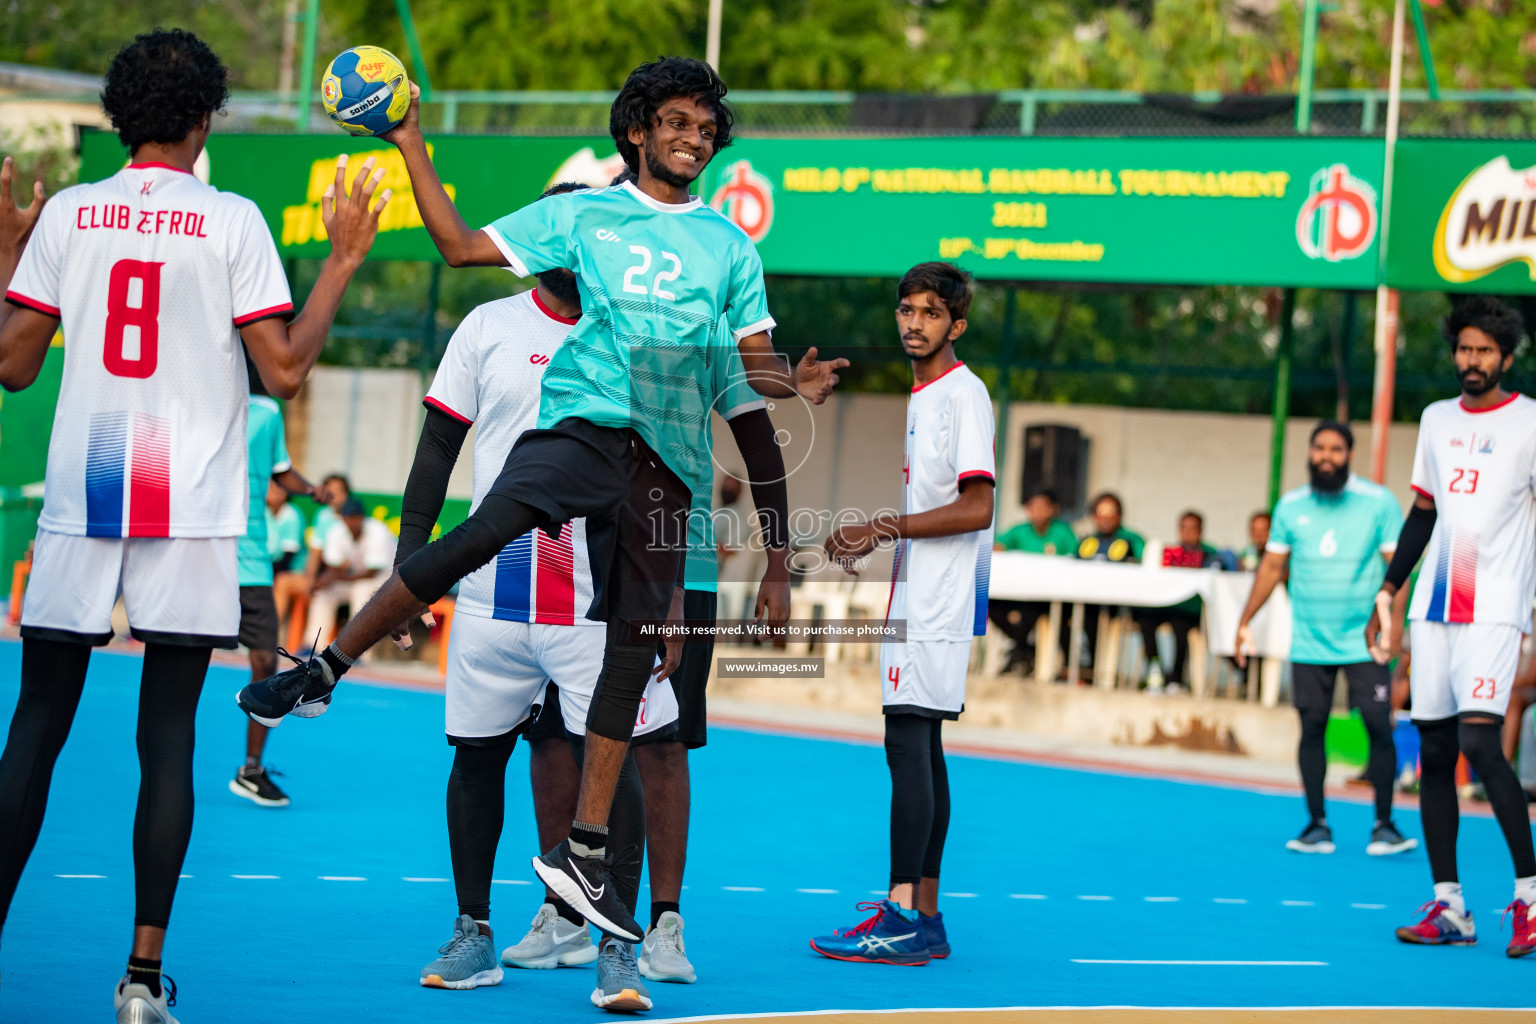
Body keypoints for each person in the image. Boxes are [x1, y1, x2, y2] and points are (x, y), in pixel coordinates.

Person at [240, 56, 839, 947]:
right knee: (477, 536)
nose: (695, 138)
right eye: (677, 121)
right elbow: (455, 245)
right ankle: (325, 668)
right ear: (636, 130)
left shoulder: (729, 247)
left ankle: (584, 851)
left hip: (662, 465)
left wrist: (790, 386)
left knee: (629, 656)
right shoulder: (582, 214)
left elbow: (749, 377)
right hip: (582, 430)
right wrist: (408, 138)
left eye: (707, 128)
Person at [0, 28, 385, 1023]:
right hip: (192, 499)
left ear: (120, 117)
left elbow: (11, 365)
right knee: (166, 736)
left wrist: (9, 250)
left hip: (90, 482)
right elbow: (286, 369)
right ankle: (139, 979)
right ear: (207, 118)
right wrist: (342, 261)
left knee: (35, 729)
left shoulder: (73, 214)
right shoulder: (233, 220)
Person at [813, 261, 995, 966]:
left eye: (929, 313)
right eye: (906, 310)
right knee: (921, 747)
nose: (914, 323)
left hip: (941, 600)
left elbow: (978, 505)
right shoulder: (927, 397)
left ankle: (899, 917)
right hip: (923, 593)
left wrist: (881, 527)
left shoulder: (961, 395)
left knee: (908, 744)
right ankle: (925, 915)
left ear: (957, 324)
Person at [1367, 296, 1536, 955]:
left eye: (1485, 351)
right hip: (1434, 606)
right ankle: (1451, 907)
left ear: (1506, 358)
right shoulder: (1436, 420)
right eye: (1464, 349)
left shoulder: (1528, 421)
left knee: (1481, 743)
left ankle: (1528, 898)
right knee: (1434, 752)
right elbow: (1423, 512)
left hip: (1494, 604)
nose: (1472, 361)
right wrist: (1387, 589)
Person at [1233, 420, 1415, 856]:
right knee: (1311, 726)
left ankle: (1384, 826)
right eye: (1319, 449)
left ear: (1349, 455)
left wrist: (1393, 628)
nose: (1326, 456)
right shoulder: (1291, 506)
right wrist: (1244, 621)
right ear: (1310, 453)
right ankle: (1316, 825)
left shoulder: (1378, 503)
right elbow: (1273, 569)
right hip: (1310, 641)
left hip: (1365, 640)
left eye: (1336, 449)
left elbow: (1400, 570)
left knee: (1377, 725)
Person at [232, 356, 327, 808]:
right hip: (241, 562)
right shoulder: (266, 410)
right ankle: (249, 767)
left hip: (224, 559)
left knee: (182, 665)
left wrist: (310, 490)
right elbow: (281, 473)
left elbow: (279, 470)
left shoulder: (256, 410)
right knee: (264, 665)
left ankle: (249, 769)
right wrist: (309, 489)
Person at [988, 487, 1075, 673]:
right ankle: (1025, 648)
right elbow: (998, 546)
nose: (1038, 512)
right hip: (1018, 593)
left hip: (1049, 595)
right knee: (991, 606)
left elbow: (1074, 557)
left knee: (1033, 608)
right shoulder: (1019, 530)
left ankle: (1019, 652)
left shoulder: (1063, 532)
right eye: (1033, 507)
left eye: (1043, 507)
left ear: (1053, 509)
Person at [1134, 511, 1219, 690]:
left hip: (1192, 611)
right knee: (1145, 619)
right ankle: (1155, 668)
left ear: (1201, 530)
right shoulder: (1169, 553)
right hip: (1167, 605)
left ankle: (1176, 678)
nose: (1187, 533)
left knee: (1180, 626)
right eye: (1183, 528)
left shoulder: (1210, 555)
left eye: (1192, 528)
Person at [302, 497, 396, 649]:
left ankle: (357, 649)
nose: (350, 522)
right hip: (353, 576)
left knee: (361, 591)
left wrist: (333, 577)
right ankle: (312, 645)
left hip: (385, 579)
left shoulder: (378, 531)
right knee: (324, 593)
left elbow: (371, 573)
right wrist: (322, 582)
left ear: (362, 517)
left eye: (354, 517)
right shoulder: (337, 530)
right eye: (347, 518)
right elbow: (334, 567)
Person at [1075, 492, 1144, 673]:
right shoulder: (1087, 541)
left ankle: (1097, 667)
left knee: (1096, 615)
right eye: (1100, 513)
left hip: (1120, 603)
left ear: (1119, 516)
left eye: (1110, 513)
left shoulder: (1132, 539)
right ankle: (1079, 665)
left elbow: (1145, 563)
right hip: (1088, 599)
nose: (1105, 519)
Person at [268, 479, 308, 633]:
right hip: (268, 566)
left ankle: (268, 632)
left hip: (294, 571)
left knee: (279, 581)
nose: (273, 493)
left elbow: (287, 558)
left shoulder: (292, 516)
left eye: (278, 489)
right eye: (270, 488)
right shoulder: (263, 513)